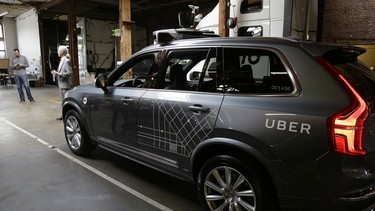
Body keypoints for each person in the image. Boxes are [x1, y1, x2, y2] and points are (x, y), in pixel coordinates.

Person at [51, 45, 72, 120]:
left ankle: (66, 115)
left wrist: (58, 74)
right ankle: (64, 115)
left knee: (66, 102)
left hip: (65, 85)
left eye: (58, 51)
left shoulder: (66, 61)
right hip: (61, 85)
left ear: (62, 52)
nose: (57, 52)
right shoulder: (62, 60)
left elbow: (69, 73)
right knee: (63, 102)